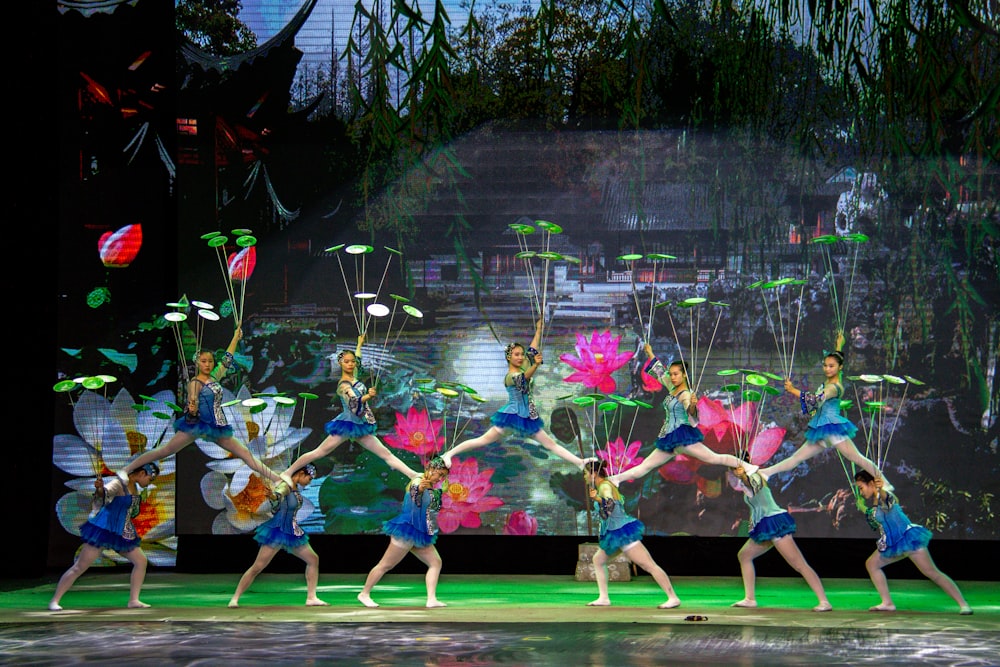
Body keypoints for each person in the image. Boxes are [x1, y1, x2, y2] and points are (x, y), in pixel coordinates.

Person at [117, 325, 290, 488]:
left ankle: (276, 479)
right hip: (196, 425)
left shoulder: (215, 377)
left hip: (215, 426)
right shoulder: (195, 382)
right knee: (164, 451)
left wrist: (236, 338)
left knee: (246, 454)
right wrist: (192, 409)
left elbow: (227, 359)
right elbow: (193, 400)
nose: (207, 364)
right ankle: (125, 470)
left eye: (210, 361)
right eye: (204, 361)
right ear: (198, 363)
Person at [441, 320, 585, 470]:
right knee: (482, 440)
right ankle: (449, 454)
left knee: (550, 444)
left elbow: (533, 348)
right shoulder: (511, 376)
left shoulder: (523, 367)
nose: (521, 357)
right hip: (513, 414)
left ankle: (580, 462)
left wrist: (538, 330)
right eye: (517, 355)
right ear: (509, 357)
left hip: (526, 415)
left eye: (521, 354)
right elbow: (525, 378)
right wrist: (535, 365)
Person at [280, 334, 418, 490]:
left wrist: (359, 344)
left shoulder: (355, 377)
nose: (351, 364)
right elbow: (355, 405)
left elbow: (358, 361)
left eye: (352, 361)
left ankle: (412, 474)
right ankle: (288, 471)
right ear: (341, 364)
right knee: (319, 452)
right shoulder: (344, 385)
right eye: (347, 362)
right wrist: (369, 396)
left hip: (359, 425)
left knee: (385, 453)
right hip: (347, 424)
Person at [609, 344, 754, 485]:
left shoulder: (686, 394)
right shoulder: (672, 387)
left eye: (675, 374)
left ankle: (747, 467)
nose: (672, 377)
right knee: (646, 466)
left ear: (683, 375)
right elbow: (660, 373)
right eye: (671, 374)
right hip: (670, 439)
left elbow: (694, 421)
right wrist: (650, 353)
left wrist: (692, 407)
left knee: (716, 458)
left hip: (684, 439)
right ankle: (617, 479)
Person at [760, 332, 886, 485]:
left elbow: (815, 400)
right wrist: (839, 346)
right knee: (797, 458)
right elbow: (837, 362)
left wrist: (793, 390)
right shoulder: (834, 379)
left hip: (832, 428)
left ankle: (885, 483)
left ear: (839, 367)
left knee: (858, 458)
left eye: (831, 366)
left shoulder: (833, 387)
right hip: (821, 429)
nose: (827, 369)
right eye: (825, 365)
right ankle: (765, 472)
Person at [854, 470, 972, 615]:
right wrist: (862, 507)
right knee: (872, 564)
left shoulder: (884, 496)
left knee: (932, 573)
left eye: (861, 487)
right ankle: (887, 603)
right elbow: (877, 519)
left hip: (908, 541)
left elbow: (888, 500)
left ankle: (963, 604)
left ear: (871, 483)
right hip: (893, 544)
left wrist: (880, 489)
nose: (860, 492)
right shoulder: (874, 502)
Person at [49, 464, 160, 611]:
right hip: (104, 528)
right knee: (80, 567)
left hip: (121, 531)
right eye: (150, 479)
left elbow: (131, 512)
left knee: (141, 561)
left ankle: (133, 600)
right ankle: (55, 601)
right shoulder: (119, 483)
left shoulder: (135, 488)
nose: (149, 483)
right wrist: (100, 488)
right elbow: (104, 495)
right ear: (141, 473)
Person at [729, 465, 832, 611]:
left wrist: (744, 477)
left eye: (731, 469)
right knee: (744, 555)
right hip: (764, 527)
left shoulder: (757, 476)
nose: (730, 473)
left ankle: (824, 601)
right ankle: (750, 599)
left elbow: (754, 485)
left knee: (799, 564)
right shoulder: (745, 481)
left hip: (774, 523)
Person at [228, 464, 329, 608]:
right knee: (258, 567)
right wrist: (274, 496)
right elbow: (278, 495)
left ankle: (311, 597)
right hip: (277, 531)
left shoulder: (294, 488)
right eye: (309, 478)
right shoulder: (286, 486)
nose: (310, 482)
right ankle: (235, 598)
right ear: (301, 473)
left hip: (292, 532)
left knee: (313, 559)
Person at [585, 459, 681, 609]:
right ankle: (603, 598)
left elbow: (609, 508)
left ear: (593, 474)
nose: (584, 477)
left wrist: (596, 499)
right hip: (615, 534)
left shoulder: (604, 486)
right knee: (598, 560)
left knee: (648, 565)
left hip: (622, 533)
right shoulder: (604, 485)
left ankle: (673, 597)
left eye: (585, 473)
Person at [357, 456, 450, 609]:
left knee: (435, 562)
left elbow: (430, 503)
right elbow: (416, 492)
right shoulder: (418, 481)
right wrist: (421, 488)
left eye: (443, 476)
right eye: (439, 474)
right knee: (385, 565)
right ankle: (364, 593)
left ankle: (431, 599)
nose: (440, 478)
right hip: (406, 531)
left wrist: (441, 490)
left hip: (419, 533)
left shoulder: (429, 484)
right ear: (430, 469)